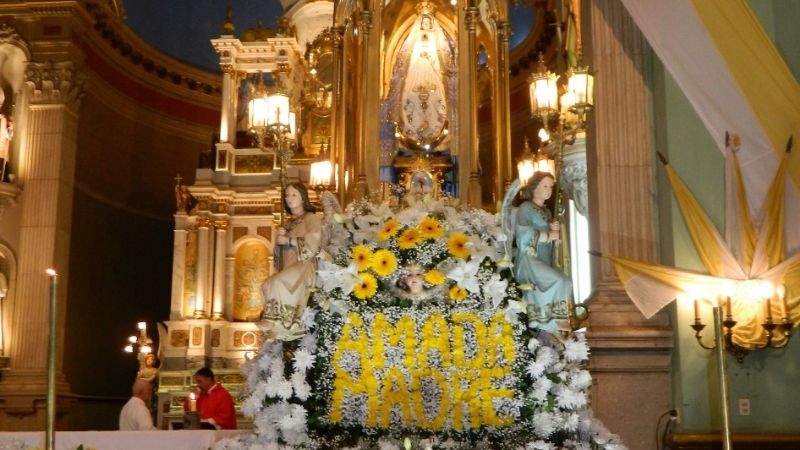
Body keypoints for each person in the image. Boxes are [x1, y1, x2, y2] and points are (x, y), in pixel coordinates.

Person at [260, 182, 321, 338]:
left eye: (294, 194)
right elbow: (279, 258)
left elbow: (314, 241)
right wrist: (279, 241)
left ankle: (281, 322)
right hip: (290, 266)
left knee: (278, 282)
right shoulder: (287, 224)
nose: (289, 198)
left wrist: (288, 240)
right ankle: (277, 325)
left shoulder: (311, 218)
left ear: (302, 198)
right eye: (287, 195)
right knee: (266, 284)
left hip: (304, 266)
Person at [514, 171, 573, 332]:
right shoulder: (525, 208)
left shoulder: (547, 212)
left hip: (543, 258)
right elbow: (523, 236)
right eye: (544, 186)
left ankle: (552, 320)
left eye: (551, 187)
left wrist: (555, 233)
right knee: (557, 280)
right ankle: (556, 317)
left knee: (566, 281)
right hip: (529, 259)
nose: (548, 190)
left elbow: (552, 239)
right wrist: (548, 235)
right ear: (534, 188)